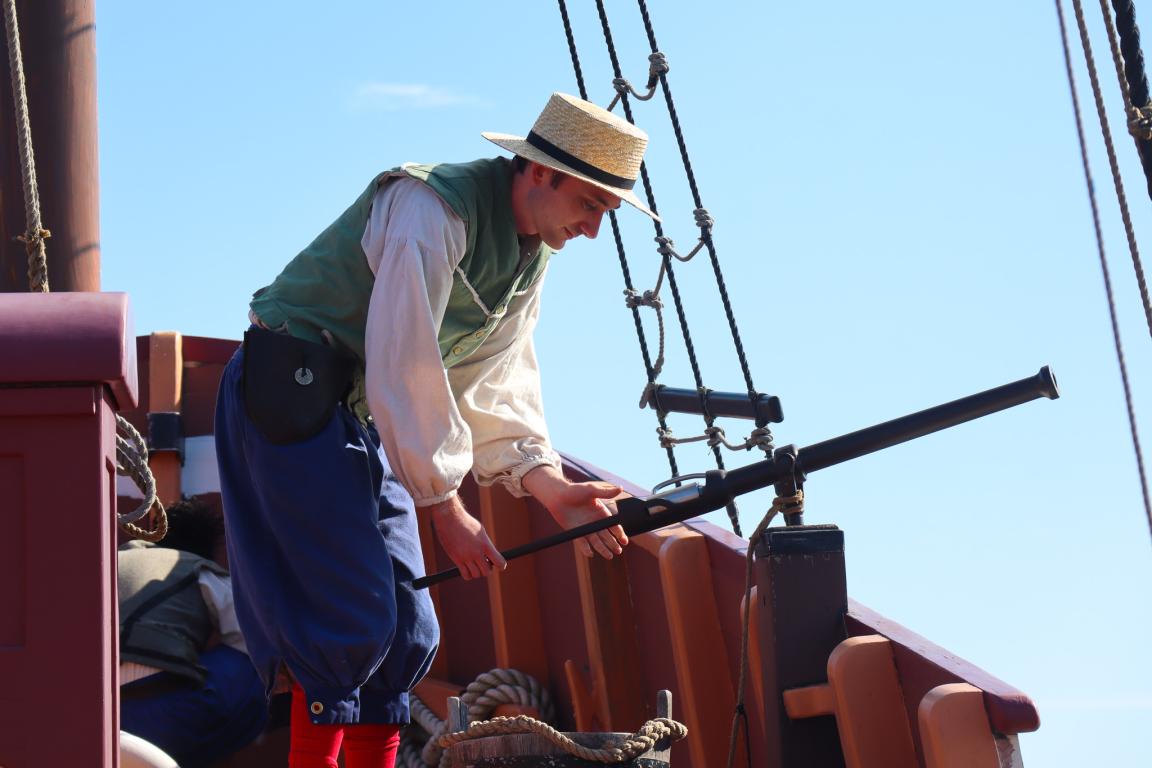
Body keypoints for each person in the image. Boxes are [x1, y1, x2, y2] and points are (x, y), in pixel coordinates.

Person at [214, 92, 656, 768]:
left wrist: (550, 487)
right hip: (291, 388)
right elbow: (406, 360)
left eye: (606, 213)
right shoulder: (432, 209)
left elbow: (492, 379)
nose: (594, 229)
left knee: (407, 633)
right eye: (590, 204)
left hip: (360, 416)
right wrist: (443, 506)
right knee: (349, 620)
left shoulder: (530, 257)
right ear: (539, 171)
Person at [118, 497, 269, 767]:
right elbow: (250, 638)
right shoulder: (195, 567)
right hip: (163, 716)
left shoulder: (112, 562)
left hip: (87, 714)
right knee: (256, 666)